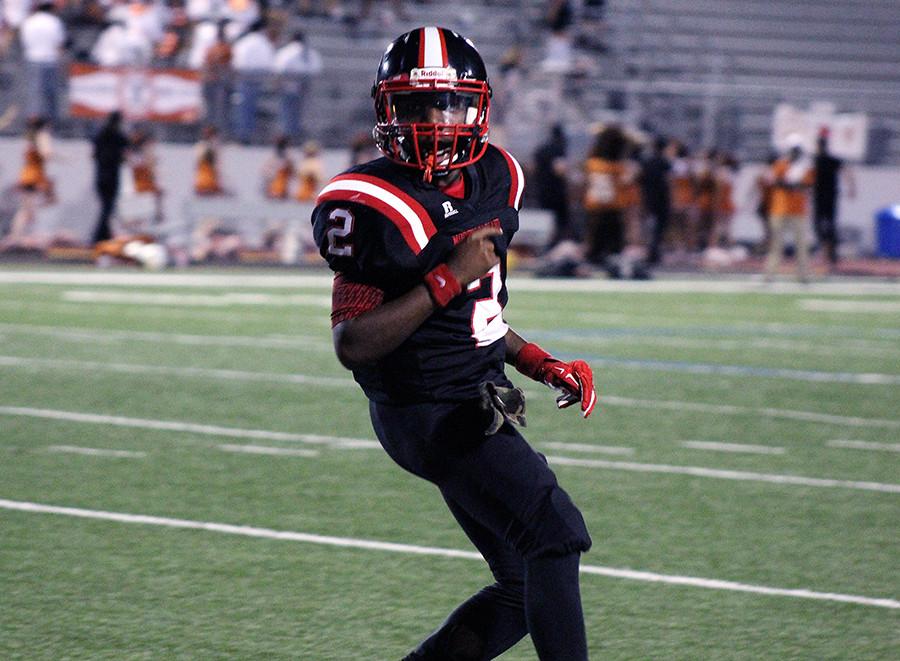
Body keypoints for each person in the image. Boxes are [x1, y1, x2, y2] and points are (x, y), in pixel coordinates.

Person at [311, 27, 595, 661]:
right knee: (555, 535)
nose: (435, 120)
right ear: (388, 111)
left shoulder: (499, 174)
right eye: (417, 106)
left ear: (478, 107)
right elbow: (354, 343)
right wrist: (444, 279)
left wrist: (537, 361)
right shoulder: (369, 201)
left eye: (448, 104)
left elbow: (479, 308)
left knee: (525, 581)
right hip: (426, 409)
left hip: (472, 393)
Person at [764, 134, 815, 282]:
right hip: (780, 209)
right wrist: (792, 185)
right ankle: (769, 275)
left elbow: (807, 185)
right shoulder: (781, 164)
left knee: (801, 245)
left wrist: (791, 185)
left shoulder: (805, 167)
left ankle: (803, 275)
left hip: (798, 210)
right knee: (776, 245)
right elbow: (775, 182)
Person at [583, 124, 629, 266]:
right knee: (614, 241)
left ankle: (594, 258)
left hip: (594, 204)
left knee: (595, 238)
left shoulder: (592, 163)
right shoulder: (618, 168)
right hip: (613, 205)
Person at [813, 130, 854, 271]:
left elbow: (846, 171)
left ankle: (829, 252)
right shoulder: (820, 160)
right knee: (825, 225)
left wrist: (851, 187)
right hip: (825, 196)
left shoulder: (823, 160)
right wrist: (851, 188)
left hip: (825, 197)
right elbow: (847, 172)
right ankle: (827, 251)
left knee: (825, 225)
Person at [19, 2, 66, 125]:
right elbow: (59, 44)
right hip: (50, 60)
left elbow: (24, 42)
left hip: (32, 59)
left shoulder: (29, 21)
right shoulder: (54, 22)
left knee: (33, 92)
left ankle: (33, 122)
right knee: (50, 94)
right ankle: (49, 123)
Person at [273, 31, 323, 142]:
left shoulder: (287, 51)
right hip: (304, 88)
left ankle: (288, 137)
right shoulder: (310, 53)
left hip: (288, 87)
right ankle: (298, 136)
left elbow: (279, 69)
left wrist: (278, 84)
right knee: (300, 114)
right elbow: (317, 69)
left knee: (287, 114)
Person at [231, 19, 275, 143]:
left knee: (244, 108)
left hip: (244, 78)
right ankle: (249, 135)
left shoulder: (244, 42)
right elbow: (269, 63)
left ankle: (243, 135)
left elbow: (237, 61)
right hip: (259, 79)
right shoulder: (264, 43)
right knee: (253, 108)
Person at [91, 111, 130, 244]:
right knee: (108, 208)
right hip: (112, 177)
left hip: (100, 176)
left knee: (106, 207)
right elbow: (127, 153)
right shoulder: (118, 137)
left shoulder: (100, 135)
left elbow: (93, 155)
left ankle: (104, 235)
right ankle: (98, 238)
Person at [532, 123, 571, 249]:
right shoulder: (558, 149)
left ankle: (545, 245)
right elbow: (560, 169)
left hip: (542, 189)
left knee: (546, 218)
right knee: (560, 220)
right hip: (556, 190)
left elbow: (534, 169)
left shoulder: (541, 150)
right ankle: (557, 245)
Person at [640, 136, 671, 265]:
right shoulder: (665, 163)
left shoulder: (647, 162)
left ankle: (649, 251)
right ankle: (654, 252)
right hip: (662, 199)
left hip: (649, 198)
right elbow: (668, 181)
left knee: (650, 226)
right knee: (659, 228)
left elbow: (641, 180)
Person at [262, 135, 294, 199]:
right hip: (272, 190)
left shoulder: (289, 158)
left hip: (284, 191)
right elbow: (265, 173)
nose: (281, 147)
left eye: (283, 145)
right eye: (280, 145)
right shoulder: (271, 158)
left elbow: (293, 174)